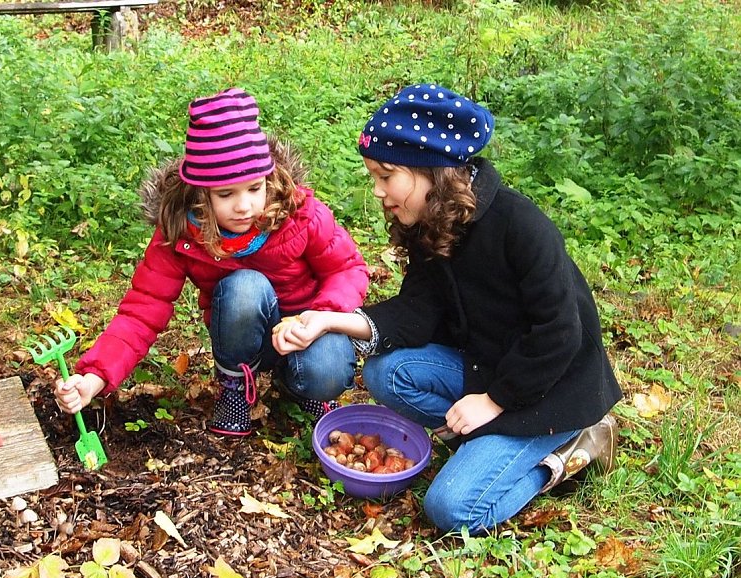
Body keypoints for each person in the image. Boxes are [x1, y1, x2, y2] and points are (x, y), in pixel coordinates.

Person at [272, 83, 622, 535]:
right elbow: (417, 313)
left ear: (432, 171)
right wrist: (327, 321)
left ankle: (570, 449)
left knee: (451, 509)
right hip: (487, 367)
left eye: (386, 175)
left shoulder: (522, 227)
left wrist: (493, 402)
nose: (378, 191)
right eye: (374, 177)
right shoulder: (432, 222)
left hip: (552, 389)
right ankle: (481, 444)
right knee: (386, 372)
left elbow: (558, 334)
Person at [55, 87, 369, 436]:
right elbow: (143, 309)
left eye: (254, 188)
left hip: (307, 328)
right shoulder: (182, 231)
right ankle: (236, 385)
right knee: (244, 286)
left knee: (327, 370)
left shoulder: (301, 213)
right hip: (244, 334)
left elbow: (347, 269)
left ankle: (298, 385)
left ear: (268, 179)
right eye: (225, 194)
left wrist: (321, 316)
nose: (244, 206)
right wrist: (95, 376)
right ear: (201, 192)